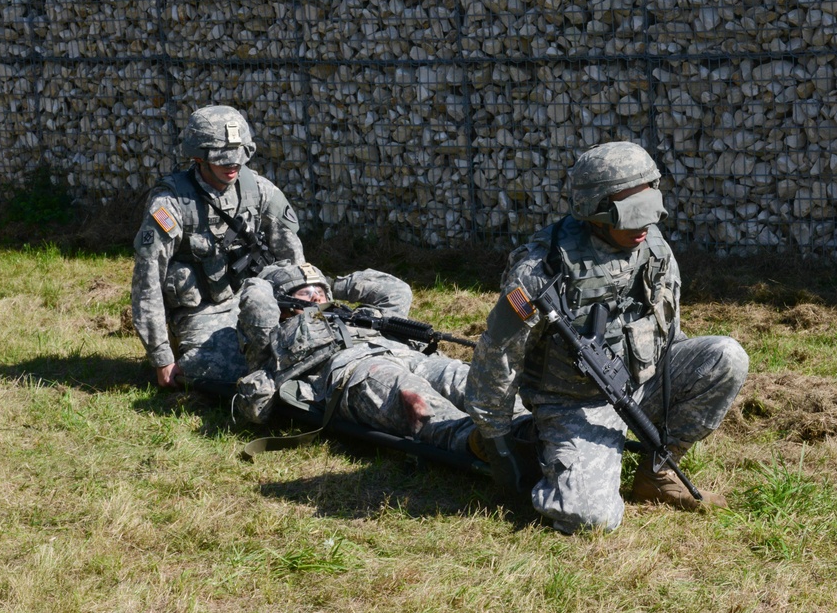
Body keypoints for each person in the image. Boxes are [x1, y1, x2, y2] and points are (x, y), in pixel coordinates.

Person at [464, 141, 749, 534]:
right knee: (591, 518)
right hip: (573, 406)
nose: (644, 226)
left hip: (642, 386)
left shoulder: (655, 249)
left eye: (649, 208)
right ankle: (533, 438)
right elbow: (496, 358)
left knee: (727, 356)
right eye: (630, 215)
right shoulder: (540, 269)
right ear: (594, 210)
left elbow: (672, 334)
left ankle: (656, 473)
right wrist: (496, 441)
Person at [234, 261, 530, 457]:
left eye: (319, 292)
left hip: (404, 352)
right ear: (283, 303)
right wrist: (263, 283)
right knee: (412, 396)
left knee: (458, 374)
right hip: (353, 370)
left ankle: (524, 426)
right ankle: (477, 442)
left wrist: (329, 283)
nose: (315, 298)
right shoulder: (279, 336)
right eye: (304, 293)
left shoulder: (360, 314)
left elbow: (395, 290)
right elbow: (257, 306)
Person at [131, 105, 305, 394]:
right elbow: (146, 282)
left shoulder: (259, 190)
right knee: (230, 370)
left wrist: (301, 310)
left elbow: (293, 260)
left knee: (304, 347)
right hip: (201, 313)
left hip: (254, 300)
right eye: (222, 159)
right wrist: (161, 358)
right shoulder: (171, 204)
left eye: (238, 158)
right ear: (199, 157)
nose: (232, 166)